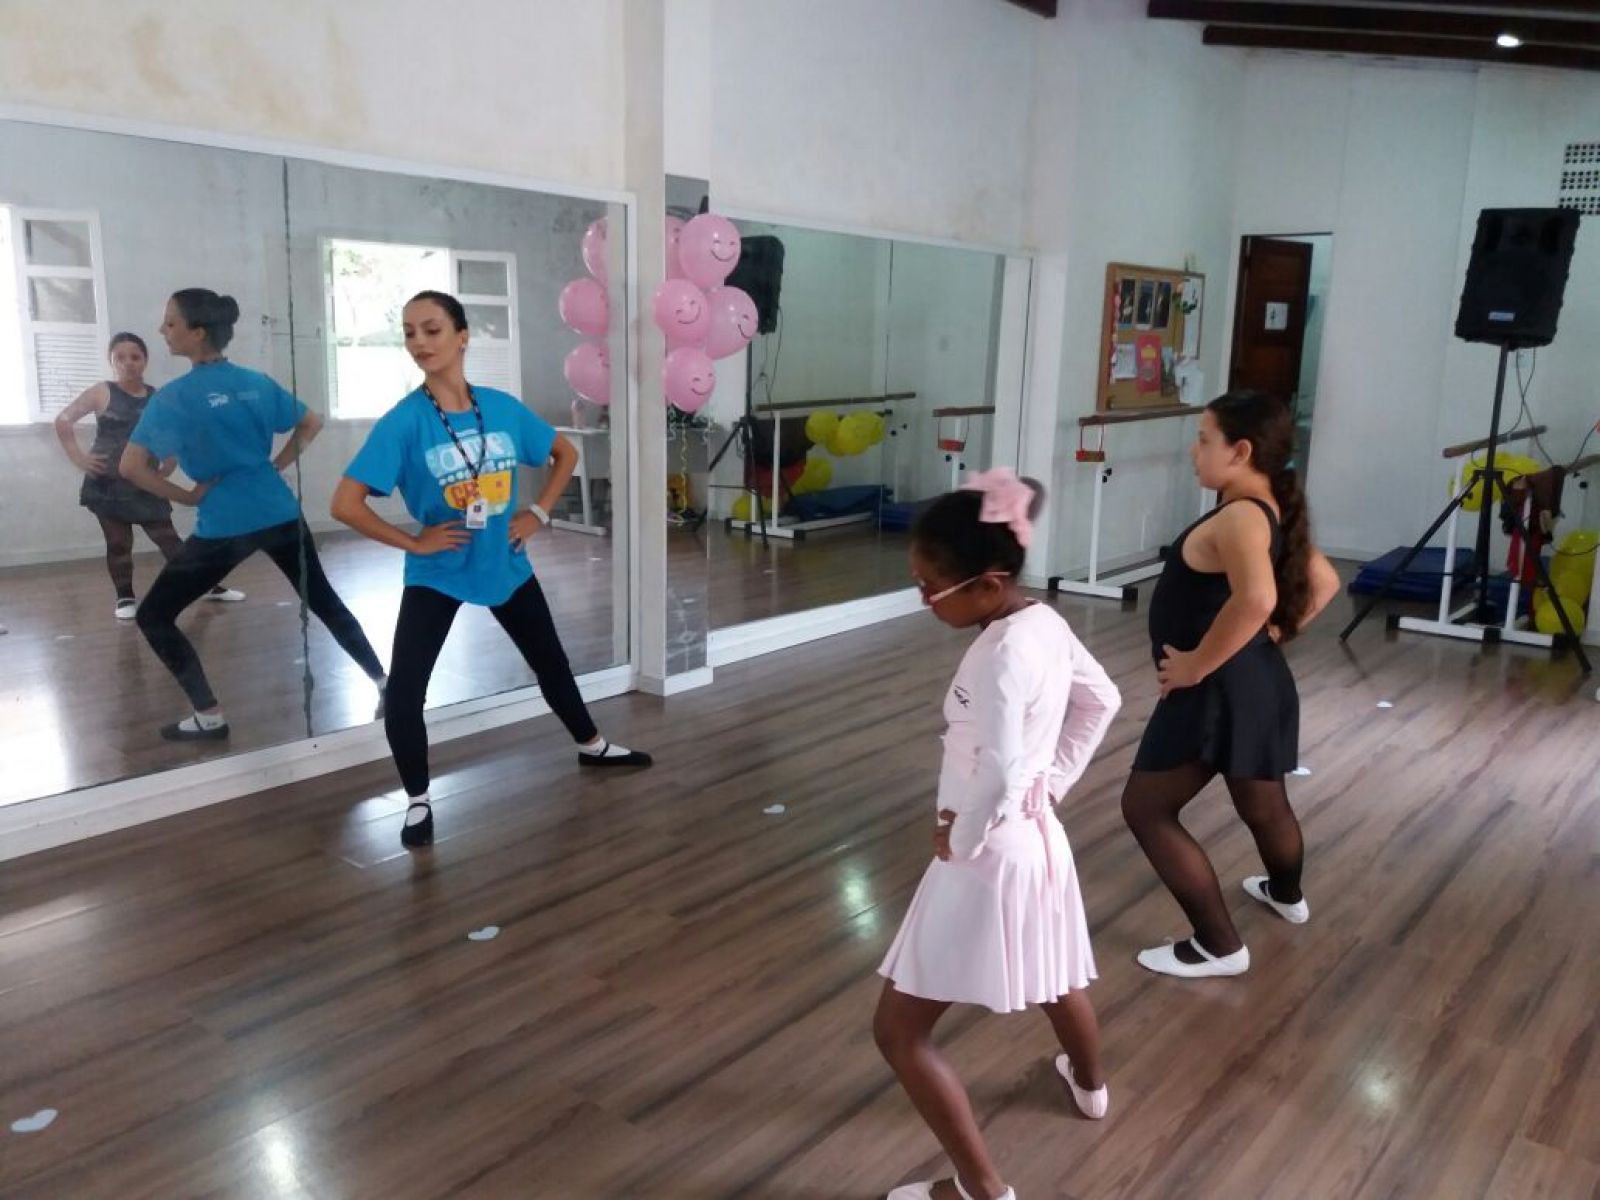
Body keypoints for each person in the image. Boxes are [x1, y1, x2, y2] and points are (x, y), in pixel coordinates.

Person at [874, 469, 1121, 1200]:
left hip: (988, 855)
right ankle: (1090, 1086)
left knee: (898, 1031)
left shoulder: (1000, 655)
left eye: (930, 588)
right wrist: (1055, 784)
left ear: (987, 584)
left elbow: (1003, 766)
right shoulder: (1042, 621)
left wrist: (963, 837)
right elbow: (1102, 699)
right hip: (1039, 841)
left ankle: (980, 1189)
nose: (923, 598)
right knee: (1056, 974)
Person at [331, 290, 650, 851]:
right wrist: (415, 541)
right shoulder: (404, 423)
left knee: (550, 662)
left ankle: (593, 746)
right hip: (439, 570)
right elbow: (345, 505)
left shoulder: (501, 408)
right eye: (409, 333)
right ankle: (418, 799)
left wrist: (539, 513)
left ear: (462, 337)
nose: (419, 343)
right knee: (405, 690)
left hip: (505, 562)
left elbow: (565, 455)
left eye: (431, 330)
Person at [1120, 390, 1341, 979]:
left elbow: (1259, 597)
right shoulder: (1269, 508)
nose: (1194, 451)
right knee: (1263, 805)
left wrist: (1197, 665)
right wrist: (1273, 636)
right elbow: (1324, 582)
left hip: (1216, 693)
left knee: (1145, 808)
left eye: (1204, 439)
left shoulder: (1241, 515)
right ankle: (1286, 895)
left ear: (1240, 451)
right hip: (1259, 684)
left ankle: (1217, 945)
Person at [121, 289, 387, 741]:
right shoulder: (255, 382)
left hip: (225, 525)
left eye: (170, 323)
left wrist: (186, 498)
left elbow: (131, 467)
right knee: (323, 600)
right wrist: (275, 466)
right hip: (279, 511)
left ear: (197, 333)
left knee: (153, 616)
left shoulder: (173, 398)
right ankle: (384, 681)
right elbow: (312, 421)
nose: (162, 330)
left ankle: (209, 716)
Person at [54, 332, 243, 618]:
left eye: (135, 356)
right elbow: (63, 420)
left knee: (168, 538)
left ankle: (206, 585)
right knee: (118, 543)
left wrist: (171, 459)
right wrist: (79, 458)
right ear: (111, 361)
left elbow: (173, 432)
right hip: (107, 484)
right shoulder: (102, 391)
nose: (128, 363)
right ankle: (125, 598)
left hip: (145, 481)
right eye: (120, 357)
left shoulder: (158, 397)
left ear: (145, 360)